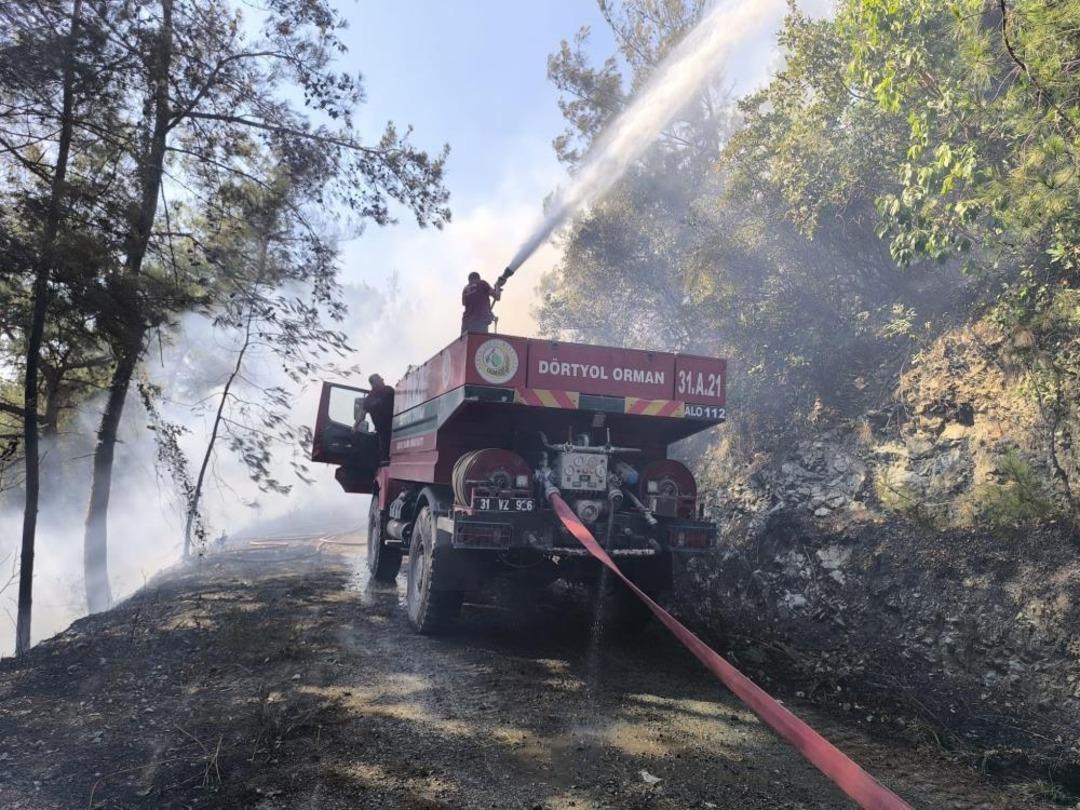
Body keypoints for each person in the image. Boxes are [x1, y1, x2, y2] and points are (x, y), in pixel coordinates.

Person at [362, 373, 395, 462]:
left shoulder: (389, 390)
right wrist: (355, 426)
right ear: (373, 383)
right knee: (384, 449)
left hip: (395, 427)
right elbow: (363, 413)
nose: (382, 379)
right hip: (383, 431)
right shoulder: (369, 398)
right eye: (379, 379)